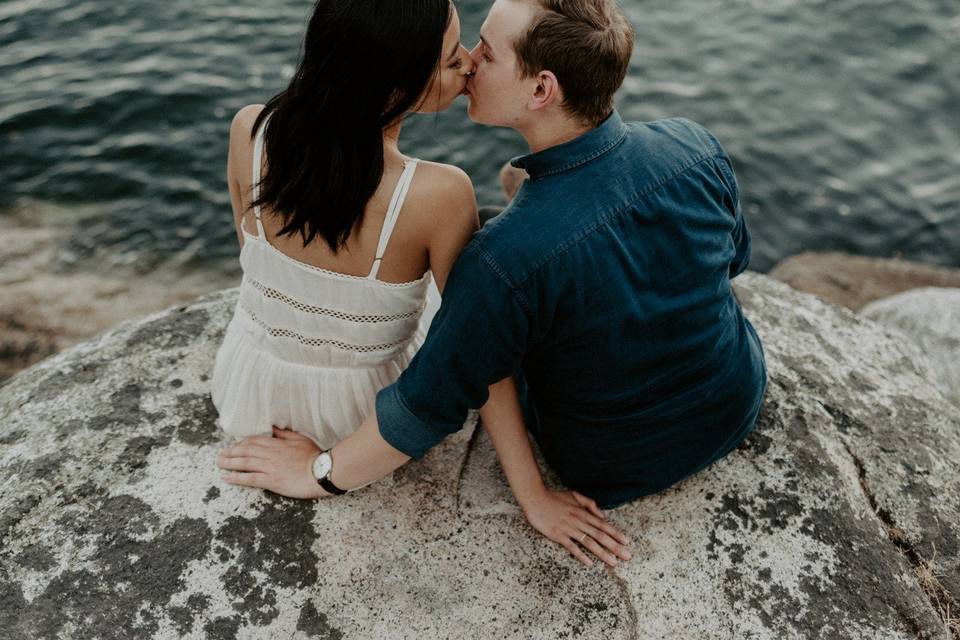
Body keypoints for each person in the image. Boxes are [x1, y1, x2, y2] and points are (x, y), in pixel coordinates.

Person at [220, 0, 768, 571]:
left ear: (541, 90)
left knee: (512, 293)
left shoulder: (500, 258)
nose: (471, 62)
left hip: (611, 463)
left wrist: (318, 474)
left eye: (487, 47)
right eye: (463, 48)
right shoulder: (696, 146)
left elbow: (430, 402)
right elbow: (734, 262)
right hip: (738, 397)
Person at [211, 0, 478, 462]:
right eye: (455, 57)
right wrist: (531, 492)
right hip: (364, 418)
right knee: (487, 280)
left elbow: (258, 276)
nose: (472, 62)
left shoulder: (250, 129)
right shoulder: (442, 193)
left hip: (250, 390)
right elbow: (474, 348)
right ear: (397, 86)